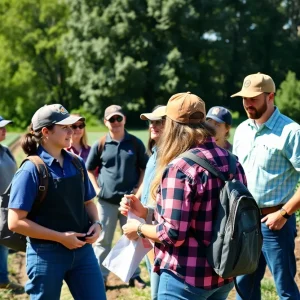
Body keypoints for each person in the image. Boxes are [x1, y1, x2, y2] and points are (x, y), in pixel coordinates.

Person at [122, 92, 247, 300]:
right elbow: (208, 213)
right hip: (223, 274)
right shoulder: (232, 161)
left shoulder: (180, 168)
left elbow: (172, 234)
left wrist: (139, 228)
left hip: (186, 278)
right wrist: (148, 212)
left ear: (173, 125)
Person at [7, 104, 106, 300]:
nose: (72, 131)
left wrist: (97, 223)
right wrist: (60, 237)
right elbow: (15, 221)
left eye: (73, 126)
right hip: (46, 255)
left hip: (83, 252)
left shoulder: (77, 163)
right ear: (46, 132)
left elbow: (88, 203)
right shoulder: (31, 170)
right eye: (65, 127)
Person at [231, 72, 300, 300]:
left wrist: (283, 214)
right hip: (244, 223)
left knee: (286, 290)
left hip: (276, 224)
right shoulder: (241, 130)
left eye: (254, 98)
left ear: (271, 96)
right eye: (244, 98)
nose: (247, 103)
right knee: (244, 289)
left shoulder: (291, 132)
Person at [86, 105, 148, 289]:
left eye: (118, 118)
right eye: (111, 119)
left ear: (124, 120)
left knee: (133, 239)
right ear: (106, 122)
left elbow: (145, 168)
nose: (115, 123)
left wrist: (137, 191)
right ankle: (100, 278)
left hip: (129, 203)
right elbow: (89, 169)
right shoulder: (101, 144)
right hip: (106, 202)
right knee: (103, 240)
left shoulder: (135, 143)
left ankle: (134, 276)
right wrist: (97, 189)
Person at [123, 105, 166, 300]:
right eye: (152, 122)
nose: (153, 126)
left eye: (159, 122)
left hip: (159, 229)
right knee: (154, 280)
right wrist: (134, 200)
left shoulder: (172, 157)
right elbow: (148, 182)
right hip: (146, 223)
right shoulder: (155, 152)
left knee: (159, 289)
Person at [0, 116, 24, 293]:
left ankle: (2, 279)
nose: (4, 130)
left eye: (4, 127)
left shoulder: (6, 150)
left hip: (5, 205)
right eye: (0, 128)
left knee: (3, 242)